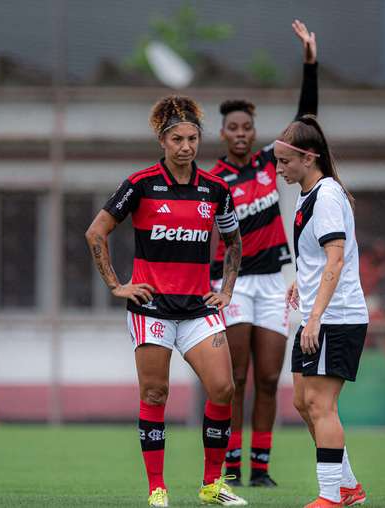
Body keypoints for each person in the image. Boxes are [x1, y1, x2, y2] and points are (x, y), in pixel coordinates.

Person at [85, 96, 247, 507]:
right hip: (152, 309)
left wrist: (226, 289)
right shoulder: (140, 184)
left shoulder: (215, 189)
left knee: (223, 387)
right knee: (156, 394)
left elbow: (233, 242)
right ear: (162, 140)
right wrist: (117, 285)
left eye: (193, 138)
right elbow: (95, 233)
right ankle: (157, 487)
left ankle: (212, 485)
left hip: (198, 309)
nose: (186, 146)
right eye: (177, 138)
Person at [210, 19, 318, 488]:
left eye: (247, 127)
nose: (240, 133)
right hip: (232, 285)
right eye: (232, 127)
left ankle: (260, 467)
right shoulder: (211, 180)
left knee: (271, 378)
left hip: (274, 282)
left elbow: (307, 120)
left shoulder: (267, 164)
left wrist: (309, 63)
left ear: (255, 134)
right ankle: (230, 463)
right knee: (235, 376)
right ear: (222, 133)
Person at [274, 115, 369, 508]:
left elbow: (336, 259)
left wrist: (314, 318)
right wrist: (301, 279)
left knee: (320, 405)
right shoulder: (307, 193)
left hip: (335, 318)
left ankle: (331, 497)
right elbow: (318, 258)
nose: (279, 169)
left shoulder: (327, 196)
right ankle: (349, 486)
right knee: (302, 401)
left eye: (285, 161)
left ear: (309, 157)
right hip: (318, 316)